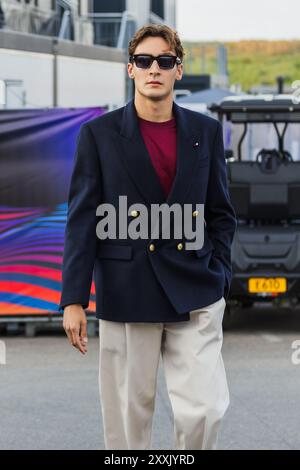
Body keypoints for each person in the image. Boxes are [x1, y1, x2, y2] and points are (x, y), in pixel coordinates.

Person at [59, 24, 237, 450]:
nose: (153, 68)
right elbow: (83, 219)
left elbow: (221, 213)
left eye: (164, 61)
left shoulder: (206, 133)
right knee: (127, 421)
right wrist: (73, 299)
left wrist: (221, 272)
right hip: (127, 290)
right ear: (130, 70)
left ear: (179, 69)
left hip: (196, 287)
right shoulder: (98, 136)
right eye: (143, 61)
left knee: (205, 410)